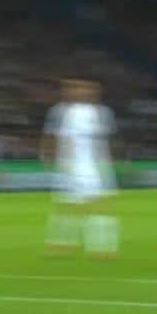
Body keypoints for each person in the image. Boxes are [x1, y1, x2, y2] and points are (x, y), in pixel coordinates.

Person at [40, 79, 119, 258]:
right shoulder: (60, 111)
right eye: (76, 89)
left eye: (85, 90)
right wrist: (47, 155)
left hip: (95, 167)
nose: (80, 92)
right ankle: (61, 244)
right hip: (68, 165)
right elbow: (50, 135)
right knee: (64, 206)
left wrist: (110, 160)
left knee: (101, 206)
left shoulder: (102, 112)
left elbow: (109, 138)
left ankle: (103, 247)